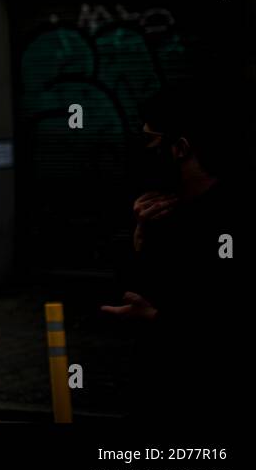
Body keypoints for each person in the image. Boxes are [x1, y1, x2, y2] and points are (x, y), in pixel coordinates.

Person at [101, 84, 242, 421]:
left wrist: (158, 319)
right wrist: (140, 235)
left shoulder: (234, 218)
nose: (142, 150)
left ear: (180, 148)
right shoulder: (163, 211)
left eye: (149, 140)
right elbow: (130, 291)